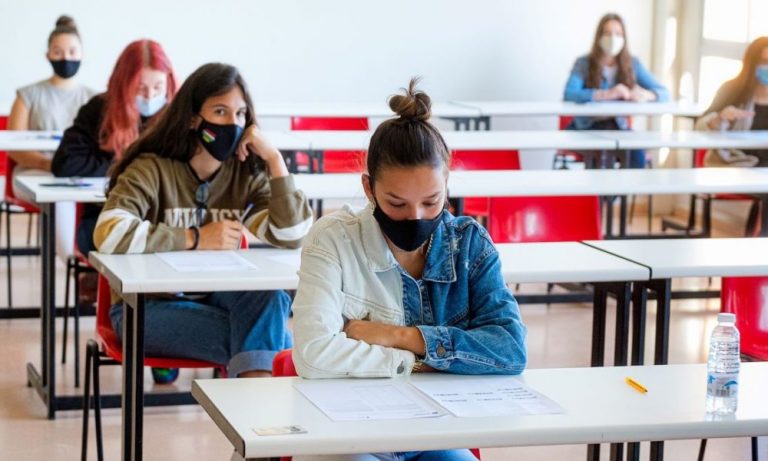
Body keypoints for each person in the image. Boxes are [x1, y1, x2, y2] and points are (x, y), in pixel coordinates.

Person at [291, 79, 527, 461]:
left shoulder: (469, 244)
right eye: (397, 204)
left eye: (431, 202)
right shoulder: (331, 240)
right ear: (369, 189)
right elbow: (314, 353)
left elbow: (511, 351)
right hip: (349, 432)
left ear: (447, 183)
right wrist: (420, 363)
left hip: (435, 431)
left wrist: (399, 336)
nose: (415, 218)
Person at [93, 62, 313, 379]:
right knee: (273, 341)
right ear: (194, 118)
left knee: (269, 299)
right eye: (220, 112)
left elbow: (291, 234)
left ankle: (257, 418)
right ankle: (262, 423)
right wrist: (195, 238)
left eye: (240, 114)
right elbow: (109, 234)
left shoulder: (243, 174)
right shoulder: (151, 168)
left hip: (213, 298)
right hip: (143, 310)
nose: (233, 123)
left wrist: (274, 161)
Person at [52, 39, 177, 256]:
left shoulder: (176, 116)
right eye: (140, 88)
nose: (150, 96)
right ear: (124, 84)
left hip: (163, 220)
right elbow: (65, 164)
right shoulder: (99, 109)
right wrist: (126, 165)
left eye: (158, 87)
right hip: (104, 219)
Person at [7, 15, 95, 260]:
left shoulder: (94, 97)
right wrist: (52, 165)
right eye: (58, 52)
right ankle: (72, 262)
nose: (65, 58)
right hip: (36, 173)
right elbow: (15, 148)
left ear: (82, 54)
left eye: (71, 51)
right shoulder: (28, 95)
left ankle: (95, 268)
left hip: (80, 173)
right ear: (48, 55)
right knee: (62, 197)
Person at [563, 12, 670, 169]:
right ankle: (601, 194)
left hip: (618, 127)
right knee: (603, 155)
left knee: (637, 155)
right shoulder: (584, 63)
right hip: (588, 126)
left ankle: (621, 194)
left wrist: (646, 94)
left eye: (618, 34)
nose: (613, 39)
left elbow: (664, 93)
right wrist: (606, 94)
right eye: (607, 33)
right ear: (599, 36)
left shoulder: (633, 64)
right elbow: (569, 94)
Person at [695, 36, 768, 167]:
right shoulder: (731, 90)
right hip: (734, 164)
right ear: (752, 63)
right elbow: (700, 126)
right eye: (764, 62)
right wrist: (720, 119)